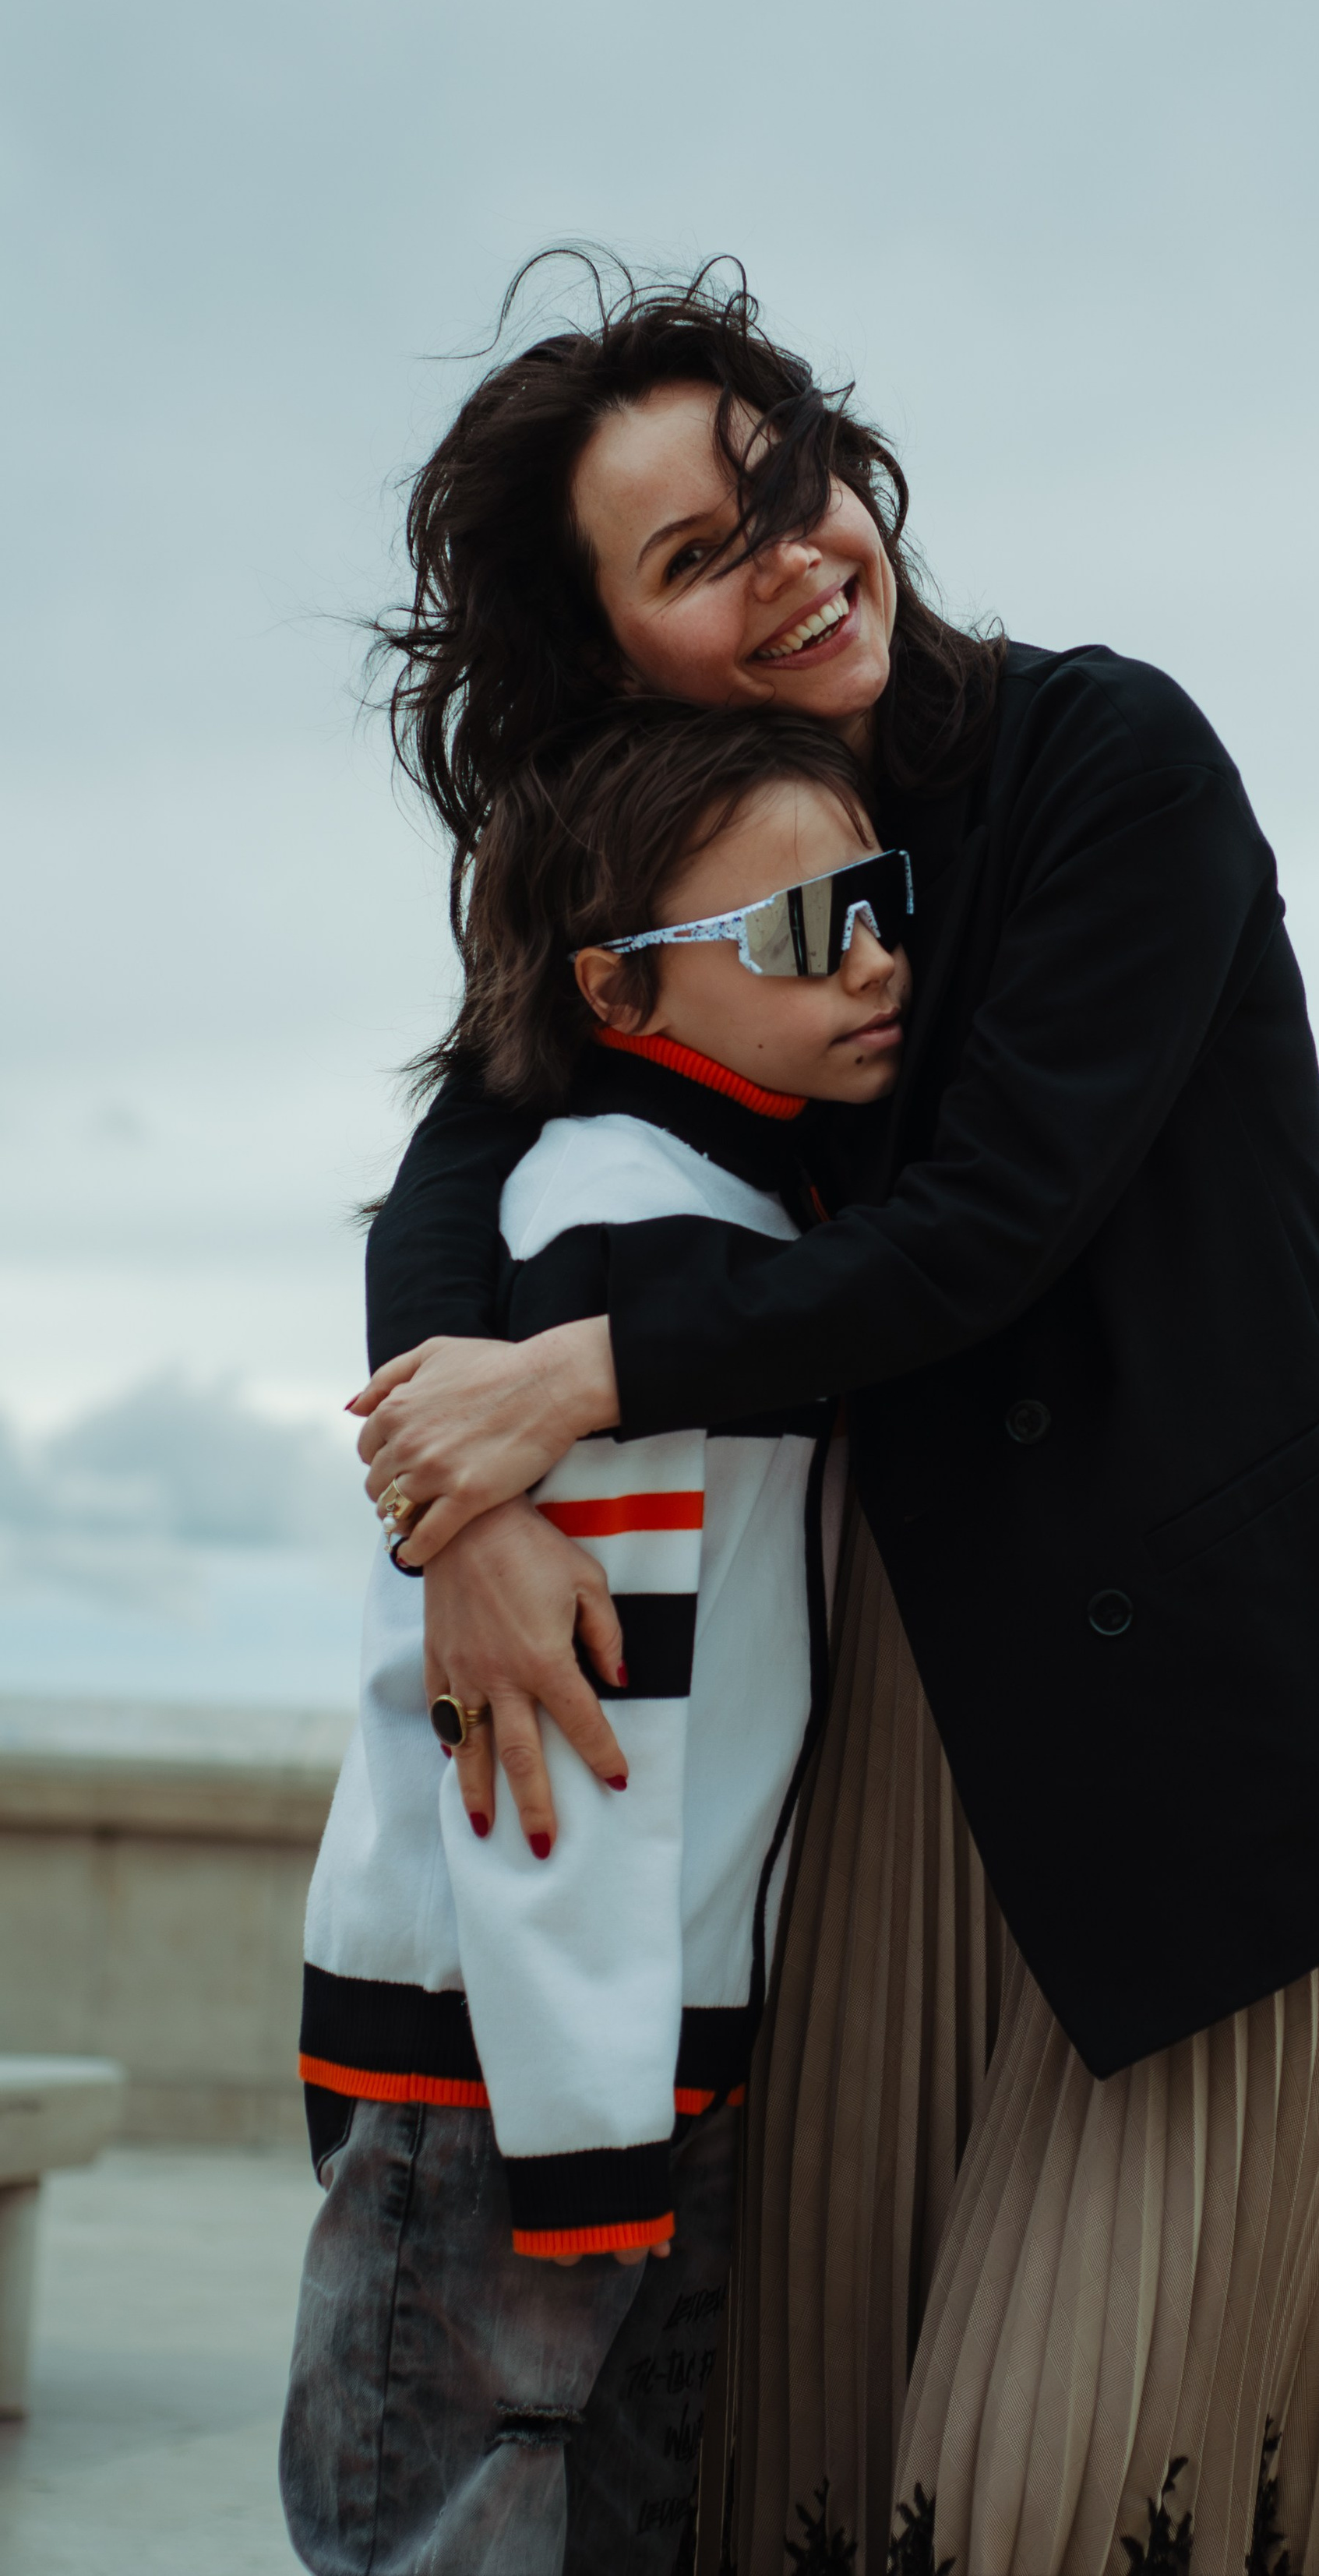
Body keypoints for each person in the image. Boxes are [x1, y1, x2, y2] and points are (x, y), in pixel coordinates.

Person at [352, 260, 1319, 2575]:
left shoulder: (1116, 760)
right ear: (609, 656)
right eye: (700, 553)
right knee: (807, 2476)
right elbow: (461, 1152)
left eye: (790, 490)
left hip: (1235, 1755)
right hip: (910, 1779)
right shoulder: (692, 880)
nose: (792, 558)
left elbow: (991, 1229)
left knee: (1046, 2491)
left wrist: (566, 1383)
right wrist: (451, 1507)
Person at [283, 705, 911, 2575]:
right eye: (802, 931)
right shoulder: (615, 1236)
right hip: (532, 2065)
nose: (874, 955)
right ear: (621, 994)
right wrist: (593, 2136)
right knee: (464, 2522)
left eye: (879, 901)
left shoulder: (717, 1208)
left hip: (613, 2036)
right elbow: (551, 1757)